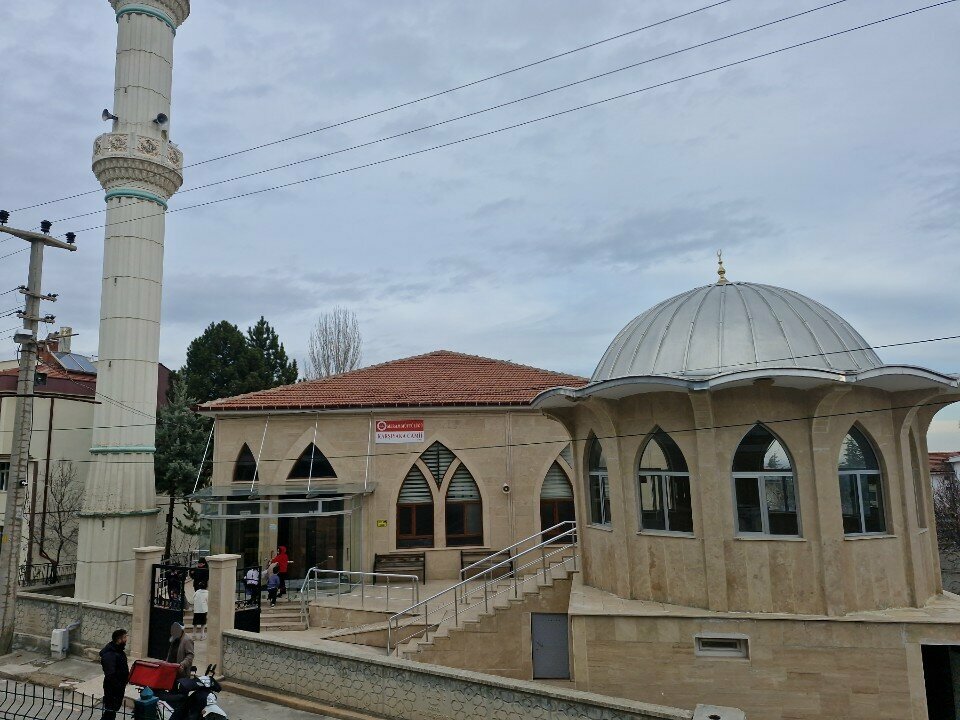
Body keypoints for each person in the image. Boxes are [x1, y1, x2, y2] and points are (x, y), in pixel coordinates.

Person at [99, 628, 129, 720]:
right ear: (118, 640)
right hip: (113, 689)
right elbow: (110, 675)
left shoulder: (119, 652)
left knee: (112, 712)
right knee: (110, 712)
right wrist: (119, 685)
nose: (126, 640)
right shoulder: (110, 654)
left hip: (118, 687)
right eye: (124, 637)